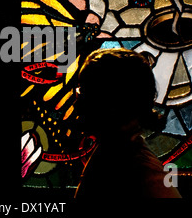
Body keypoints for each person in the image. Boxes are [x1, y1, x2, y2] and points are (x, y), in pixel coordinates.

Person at [74, 48, 181, 199]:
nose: (76, 104)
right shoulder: (111, 153)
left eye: (84, 93)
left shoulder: (144, 176)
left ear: (113, 105)